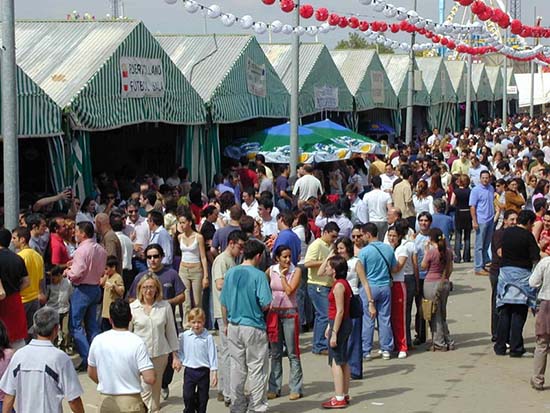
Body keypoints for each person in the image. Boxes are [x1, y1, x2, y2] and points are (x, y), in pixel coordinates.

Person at [127, 243, 186, 400]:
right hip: (143, 337)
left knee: (163, 369)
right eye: (149, 257)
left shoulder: (171, 274)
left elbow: (182, 296)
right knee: (146, 387)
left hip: (165, 324)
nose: (152, 260)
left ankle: (163, 385)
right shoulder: (140, 277)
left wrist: (165, 304)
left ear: (161, 257)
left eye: (155, 256)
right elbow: (132, 298)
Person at [220, 239, 272, 413]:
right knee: (257, 368)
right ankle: (257, 406)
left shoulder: (231, 273)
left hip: (234, 325)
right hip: (253, 325)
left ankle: (237, 404)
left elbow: (224, 302)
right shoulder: (259, 275)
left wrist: (226, 324)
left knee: (237, 367)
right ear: (258, 256)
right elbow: (265, 303)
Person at [0, 307, 84, 413]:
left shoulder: (19, 355)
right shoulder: (60, 358)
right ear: (56, 329)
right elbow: (73, 399)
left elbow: (9, 396)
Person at [88, 299, 156, 413]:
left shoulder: (98, 340)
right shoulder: (137, 341)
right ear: (130, 318)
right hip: (131, 402)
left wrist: (106, 381)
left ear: (110, 319)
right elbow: (150, 378)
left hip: (106, 400)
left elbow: (91, 372)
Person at [130, 273, 181, 412]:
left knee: (156, 389)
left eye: (152, 287)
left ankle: (154, 409)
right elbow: (128, 334)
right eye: (145, 287)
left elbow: (170, 332)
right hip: (140, 356)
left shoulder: (165, 307)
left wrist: (175, 356)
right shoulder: (133, 308)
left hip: (160, 354)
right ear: (140, 289)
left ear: (157, 289)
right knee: (145, 388)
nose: (148, 290)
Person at [495, 210, 540, 358]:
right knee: (518, 313)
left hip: (505, 275)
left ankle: (500, 346)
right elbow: (535, 257)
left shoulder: (506, 233)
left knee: (505, 311)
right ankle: (516, 348)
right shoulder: (527, 236)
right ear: (528, 223)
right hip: (521, 277)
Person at [64, 221, 107, 371]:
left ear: (82, 233)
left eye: (76, 231)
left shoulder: (82, 250)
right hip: (95, 287)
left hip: (82, 289)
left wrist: (68, 272)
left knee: (75, 325)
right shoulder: (101, 250)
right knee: (92, 325)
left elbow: (78, 272)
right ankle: (97, 356)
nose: (74, 234)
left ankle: (88, 357)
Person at [211, 230, 247, 406]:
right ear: (231, 243)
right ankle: (227, 393)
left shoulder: (232, 260)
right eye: (239, 246)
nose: (241, 251)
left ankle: (225, 389)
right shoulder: (221, 260)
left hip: (231, 310)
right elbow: (220, 284)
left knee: (229, 351)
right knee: (227, 351)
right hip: (222, 311)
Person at [266, 245, 303, 401]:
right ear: (277, 258)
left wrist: (282, 276)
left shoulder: (296, 271)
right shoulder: (270, 270)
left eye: (289, 256)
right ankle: (274, 386)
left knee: (293, 352)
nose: (288, 260)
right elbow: (263, 283)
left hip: (289, 313)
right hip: (274, 313)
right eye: (284, 257)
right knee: (275, 353)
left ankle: (296, 387)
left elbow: (289, 291)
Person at [357, 223, 398, 360]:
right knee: (385, 318)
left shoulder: (364, 252)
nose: (361, 237)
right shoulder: (388, 249)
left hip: (369, 287)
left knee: (368, 320)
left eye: (362, 234)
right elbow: (394, 267)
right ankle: (386, 348)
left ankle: (366, 350)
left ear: (368, 235)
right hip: (385, 286)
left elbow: (360, 272)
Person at [321, 256, 353, 409]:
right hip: (340, 323)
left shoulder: (339, 286)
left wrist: (334, 332)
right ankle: (344, 394)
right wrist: (330, 326)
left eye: (328, 266)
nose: (326, 269)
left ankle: (339, 396)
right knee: (343, 360)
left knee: (336, 361)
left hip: (340, 324)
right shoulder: (342, 283)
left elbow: (340, 311)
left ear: (334, 270)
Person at [304, 222, 340, 355]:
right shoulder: (316, 245)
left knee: (324, 315)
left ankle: (321, 343)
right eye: (332, 236)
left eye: (336, 237)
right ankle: (319, 345)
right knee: (324, 315)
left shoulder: (330, 245)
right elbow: (307, 263)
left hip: (327, 284)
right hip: (317, 284)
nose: (334, 239)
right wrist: (326, 261)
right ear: (325, 233)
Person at [179, 307, 218, 413]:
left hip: (203, 371)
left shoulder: (208, 337)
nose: (196, 325)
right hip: (190, 370)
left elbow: (212, 355)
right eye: (194, 322)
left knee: (203, 398)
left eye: (199, 322)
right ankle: (189, 410)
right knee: (188, 395)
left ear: (204, 322)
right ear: (189, 322)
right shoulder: (185, 336)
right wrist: (181, 360)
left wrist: (214, 372)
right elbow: (181, 350)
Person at [421, 228, 455, 351]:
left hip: (431, 283)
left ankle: (439, 342)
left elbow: (423, 267)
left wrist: (426, 252)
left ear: (431, 239)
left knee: (434, 313)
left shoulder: (431, 252)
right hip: (444, 282)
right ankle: (448, 340)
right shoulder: (448, 251)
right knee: (442, 312)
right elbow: (450, 269)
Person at [387, 222, 416, 358]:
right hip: (387, 285)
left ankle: (403, 346)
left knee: (400, 317)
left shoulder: (402, 249)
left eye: (394, 236)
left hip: (398, 284)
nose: (392, 238)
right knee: (388, 317)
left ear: (399, 237)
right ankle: (391, 344)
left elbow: (397, 268)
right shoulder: (386, 248)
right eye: (390, 235)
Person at [489, 210, 518, 342]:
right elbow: (500, 252)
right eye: (511, 219)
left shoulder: (513, 233)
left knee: (508, 304)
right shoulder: (499, 234)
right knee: (497, 303)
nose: (514, 222)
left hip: (510, 272)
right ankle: (496, 333)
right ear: (505, 220)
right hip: (498, 272)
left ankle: (506, 333)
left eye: (516, 220)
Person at [177, 209, 209, 326]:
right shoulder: (180, 237)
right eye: (180, 223)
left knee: (197, 300)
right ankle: (186, 324)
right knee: (186, 300)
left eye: (183, 222)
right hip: (184, 268)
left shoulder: (198, 237)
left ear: (190, 223)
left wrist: (205, 276)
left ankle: (199, 322)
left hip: (196, 269)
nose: (181, 225)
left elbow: (203, 257)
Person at [11, 227, 45, 336]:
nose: (12, 241)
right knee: (31, 332)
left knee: (19, 333)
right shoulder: (38, 256)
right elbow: (40, 279)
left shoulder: (19, 257)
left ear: (22, 239)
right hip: (34, 299)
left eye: (14, 238)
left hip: (22, 299)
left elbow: (17, 279)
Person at [529, 255, 550, 390]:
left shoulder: (546, 262)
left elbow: (533, 282)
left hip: (547, 303)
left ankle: (538, 379)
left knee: (542, 343)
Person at [469, 170, 495, 276]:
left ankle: (484, 264)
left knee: (486, 244)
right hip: (481, 220)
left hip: (490, 219)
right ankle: (478, 267)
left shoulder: (491, 188)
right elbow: (472, 206)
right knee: (479, 245)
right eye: (483, 178)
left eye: (487, 177)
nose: (485, 179)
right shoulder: (475, 190)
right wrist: (474, 221)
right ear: (480, 179)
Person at [45, 265, 73, 351]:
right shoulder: (49, 285)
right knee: (54, 331)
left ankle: (64, 346)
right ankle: (54, 347)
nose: (53, 280)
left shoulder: (67, 283)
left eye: (54, 278)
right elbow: (46, 297)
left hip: (64, 310)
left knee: (65, 331)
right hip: (53, 310)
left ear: (60, 275)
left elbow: (71, 294)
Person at [363, 175, 392, 241]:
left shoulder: (367, 195)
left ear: (372, 184)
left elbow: (364, 209)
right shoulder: (386, 195)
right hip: (383, 221)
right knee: (382, 240)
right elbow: (390, 209)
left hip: (371, 220)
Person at [450, 174, 472, 263]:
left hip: (459, 212)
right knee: (467, 236)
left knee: (458, 236)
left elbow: (452, 203)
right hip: (468, 212)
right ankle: (467, 256)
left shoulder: (456, 191)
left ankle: (457, 257)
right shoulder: (470, 191)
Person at [100, 256, 125, 332]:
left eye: (106, 268)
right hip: (105, 311)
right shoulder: (107, 276)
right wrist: (105, 275)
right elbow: (101, 283)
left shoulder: (117, 277)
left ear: (113, 267)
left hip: (112, 311)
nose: (105, 271)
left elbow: (121, 292)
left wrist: (114, 287)